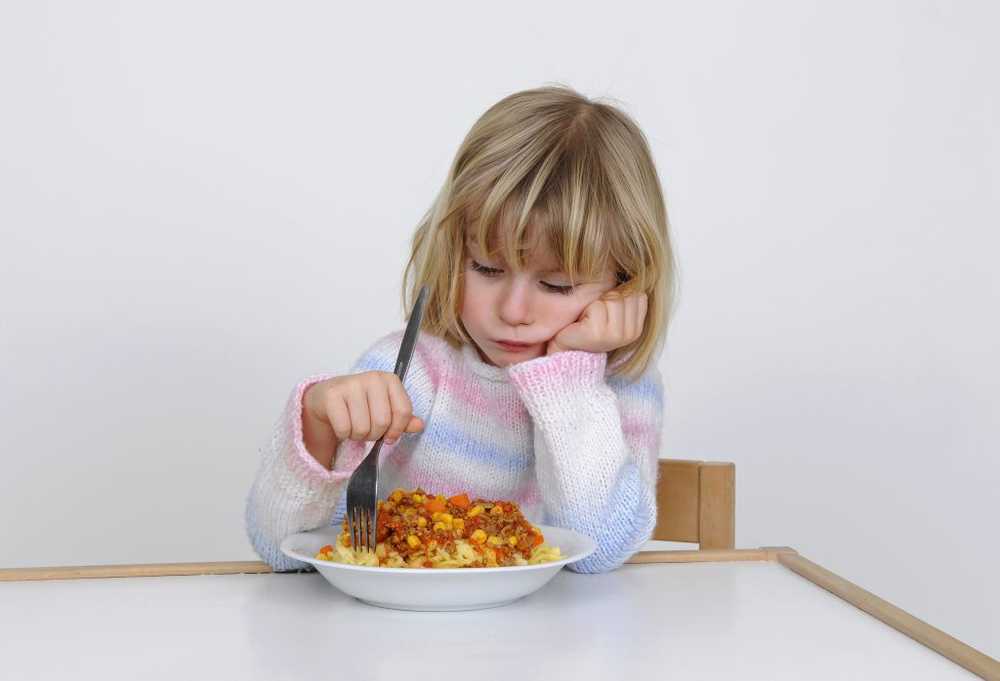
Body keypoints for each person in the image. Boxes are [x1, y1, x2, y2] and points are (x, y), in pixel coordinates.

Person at [246, 84, 676, 573]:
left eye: (557, 284)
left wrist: (570, 376)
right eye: (487, 270)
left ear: (625, 283)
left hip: (552, 641)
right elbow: (282, 549)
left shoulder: (621, 385)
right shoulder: (408, 371)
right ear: (453, 253)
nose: (513, 310)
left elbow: (599, 550)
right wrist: (318, 422)